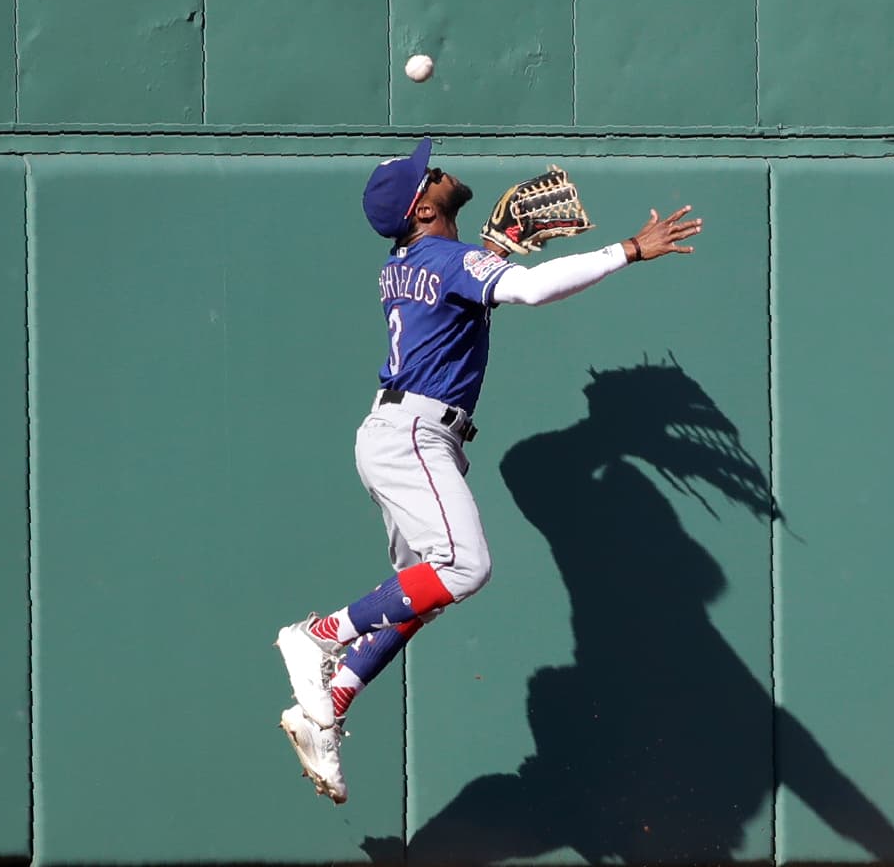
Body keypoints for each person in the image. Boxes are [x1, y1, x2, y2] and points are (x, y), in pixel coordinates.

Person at [274, 137, 703, 804]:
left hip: (402, 433)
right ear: (420, 208)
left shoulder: (411, 258)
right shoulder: (443, 256)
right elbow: (527, 291)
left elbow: (449, 297)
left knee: (421, 588)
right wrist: (626, 250)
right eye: (429, 175)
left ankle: (327, 703)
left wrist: (491, 249)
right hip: (412, 432)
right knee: (463, 568)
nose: (439, 170)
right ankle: (318, 636)